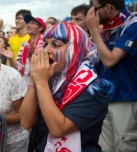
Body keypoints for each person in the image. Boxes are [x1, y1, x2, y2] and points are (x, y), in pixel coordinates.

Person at [20, 22, 115, 152]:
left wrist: (41, 83)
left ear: (76, 49)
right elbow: (26, 122)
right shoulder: (49, 79)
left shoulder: (94, 89)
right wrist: (33, 80)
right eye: (46, 43)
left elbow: (58, 129)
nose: (46, 50)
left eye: (56, 44)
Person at [86, 0, 137, 151]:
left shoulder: (132, 24)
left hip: (126, 98)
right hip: (106, 98)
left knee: (124, 145)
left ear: (108, 7)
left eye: (95, 9)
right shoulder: (109, 27)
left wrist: (94, 31)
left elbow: (110, 60)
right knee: (105, 148)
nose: (91, 13)